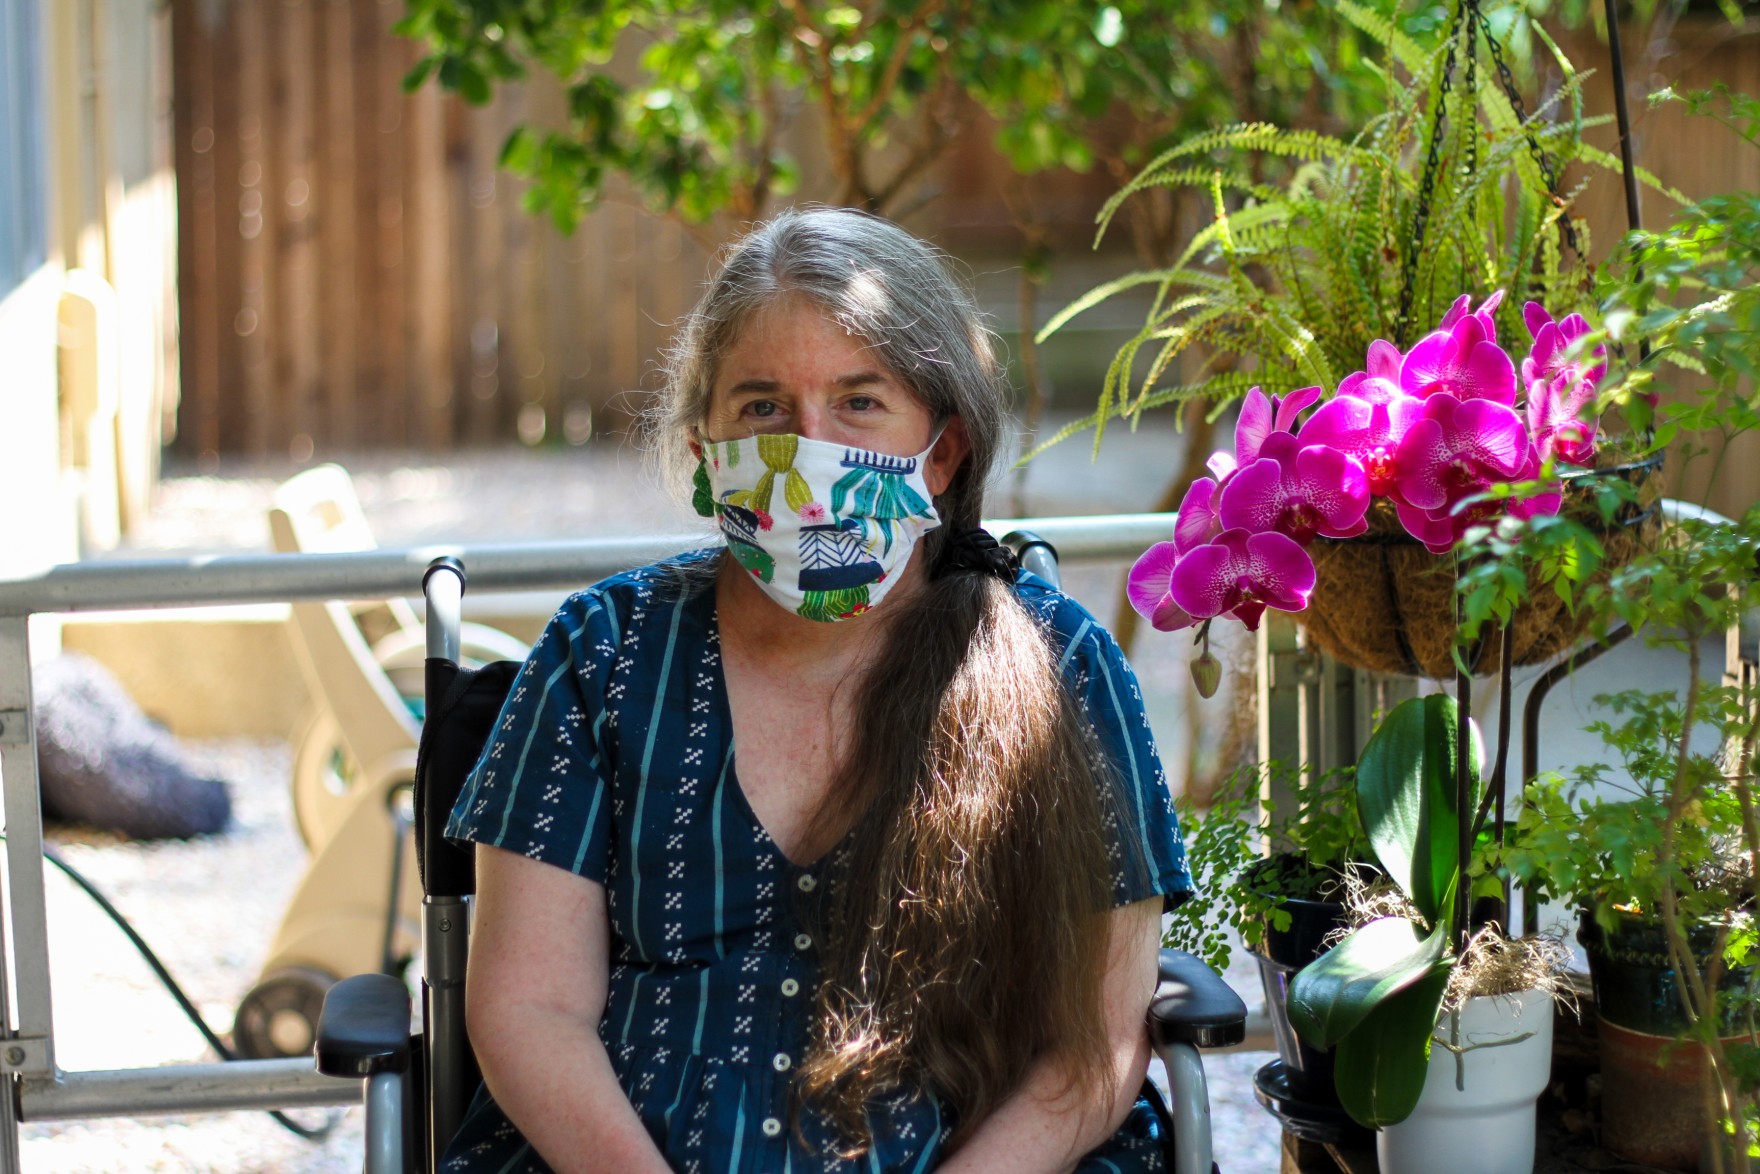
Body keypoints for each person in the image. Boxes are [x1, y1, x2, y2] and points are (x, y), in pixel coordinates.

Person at [442, 206, 1193, 1174]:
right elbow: (529, 1007)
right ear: (707, 449)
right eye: (761, 407)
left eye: (859, 401)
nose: (806, 454)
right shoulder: (606, 651)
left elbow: (1092, 1049)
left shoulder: (1059, 669)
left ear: (942, 449)